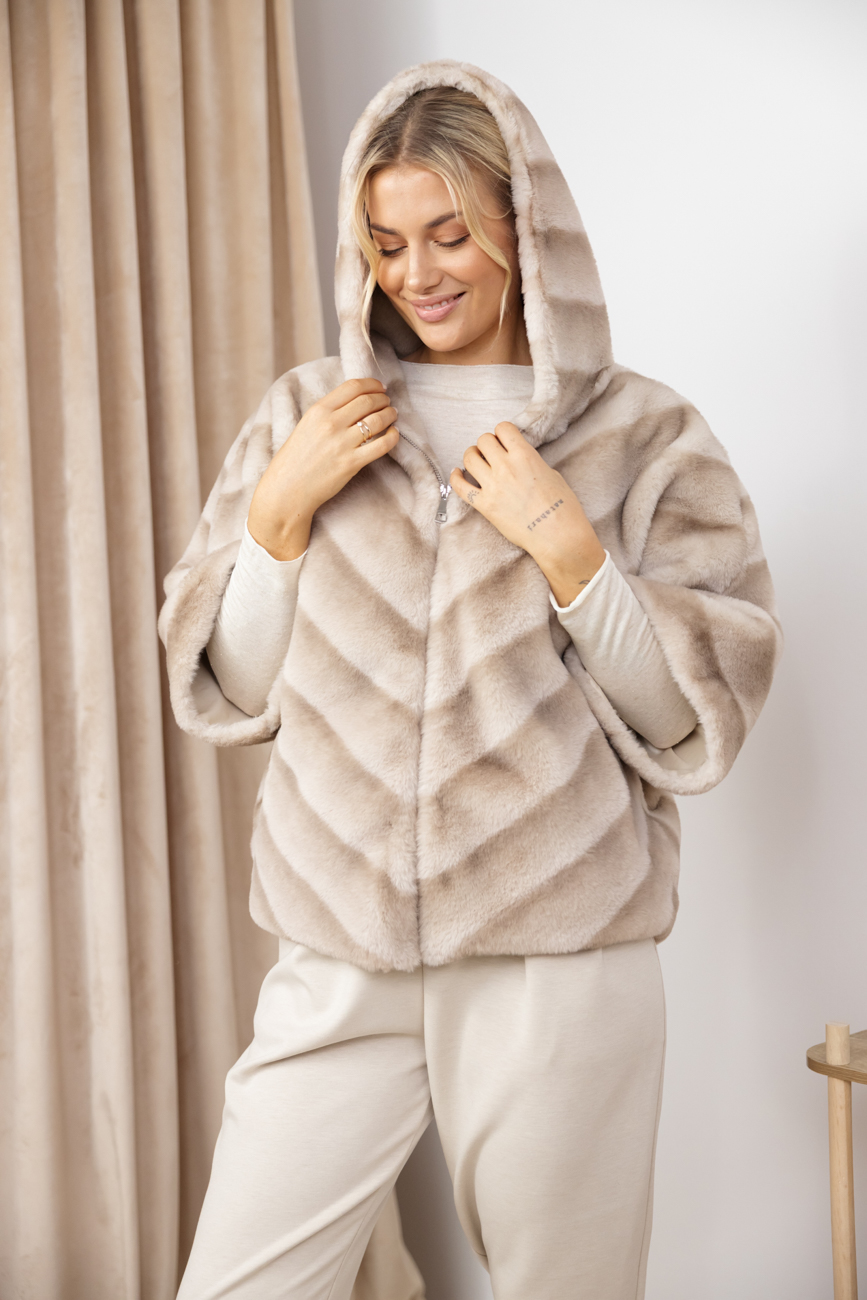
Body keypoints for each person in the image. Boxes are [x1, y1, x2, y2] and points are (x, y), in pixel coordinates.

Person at [161, 61, 781, 1300]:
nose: (418, 273)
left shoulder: (645, 436)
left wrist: (572, 552)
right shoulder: (306, 415)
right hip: (337, 946)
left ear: (523, 227)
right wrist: (278, 517)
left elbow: (692, 718)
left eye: (450, 234)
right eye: (387, 242)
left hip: (556, 955)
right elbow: (232, 683)